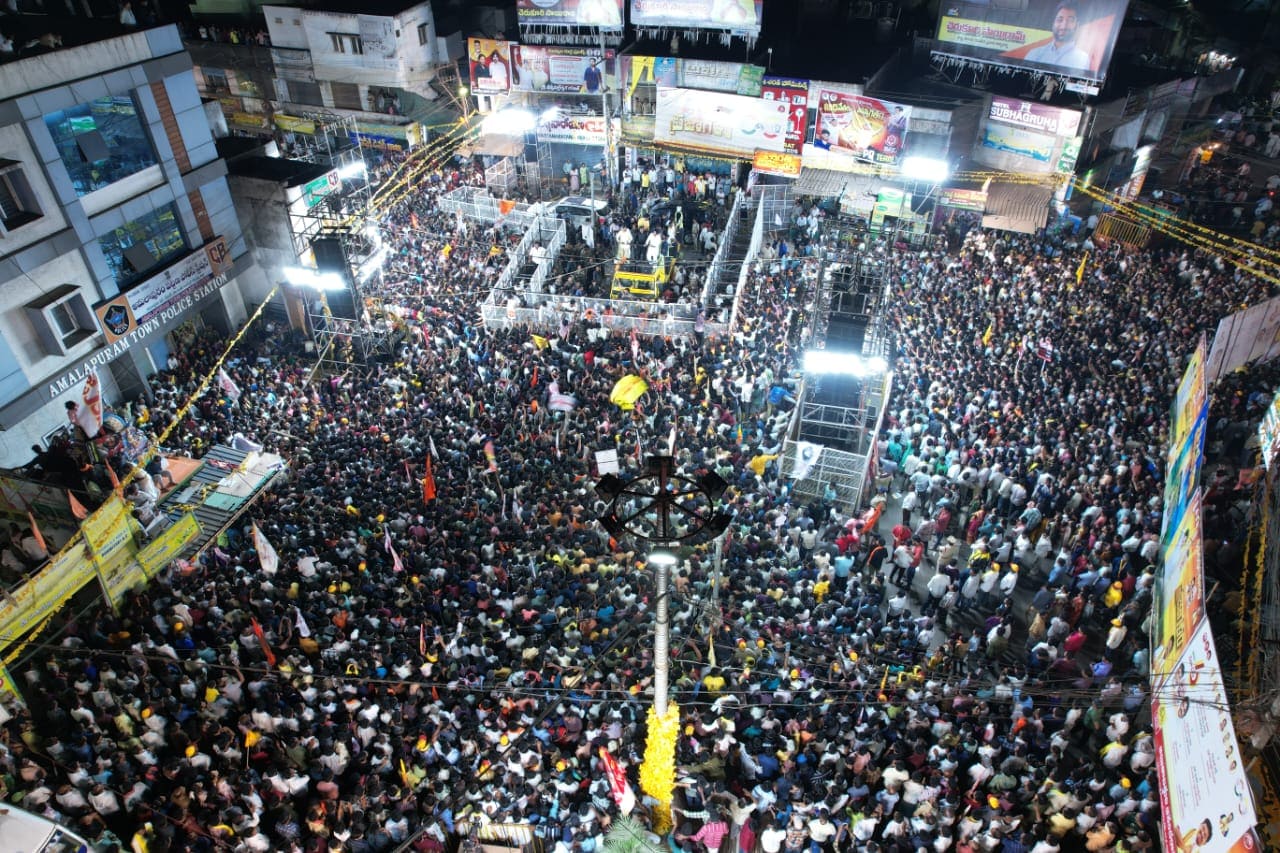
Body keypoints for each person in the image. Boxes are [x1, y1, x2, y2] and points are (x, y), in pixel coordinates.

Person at [1024, 1, 1092, 71]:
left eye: (1070, 20)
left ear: (1077, 25)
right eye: (1060, 20)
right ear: (1053, 23)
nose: (1063, 26)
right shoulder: (1034, 53)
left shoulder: (1082, 59)